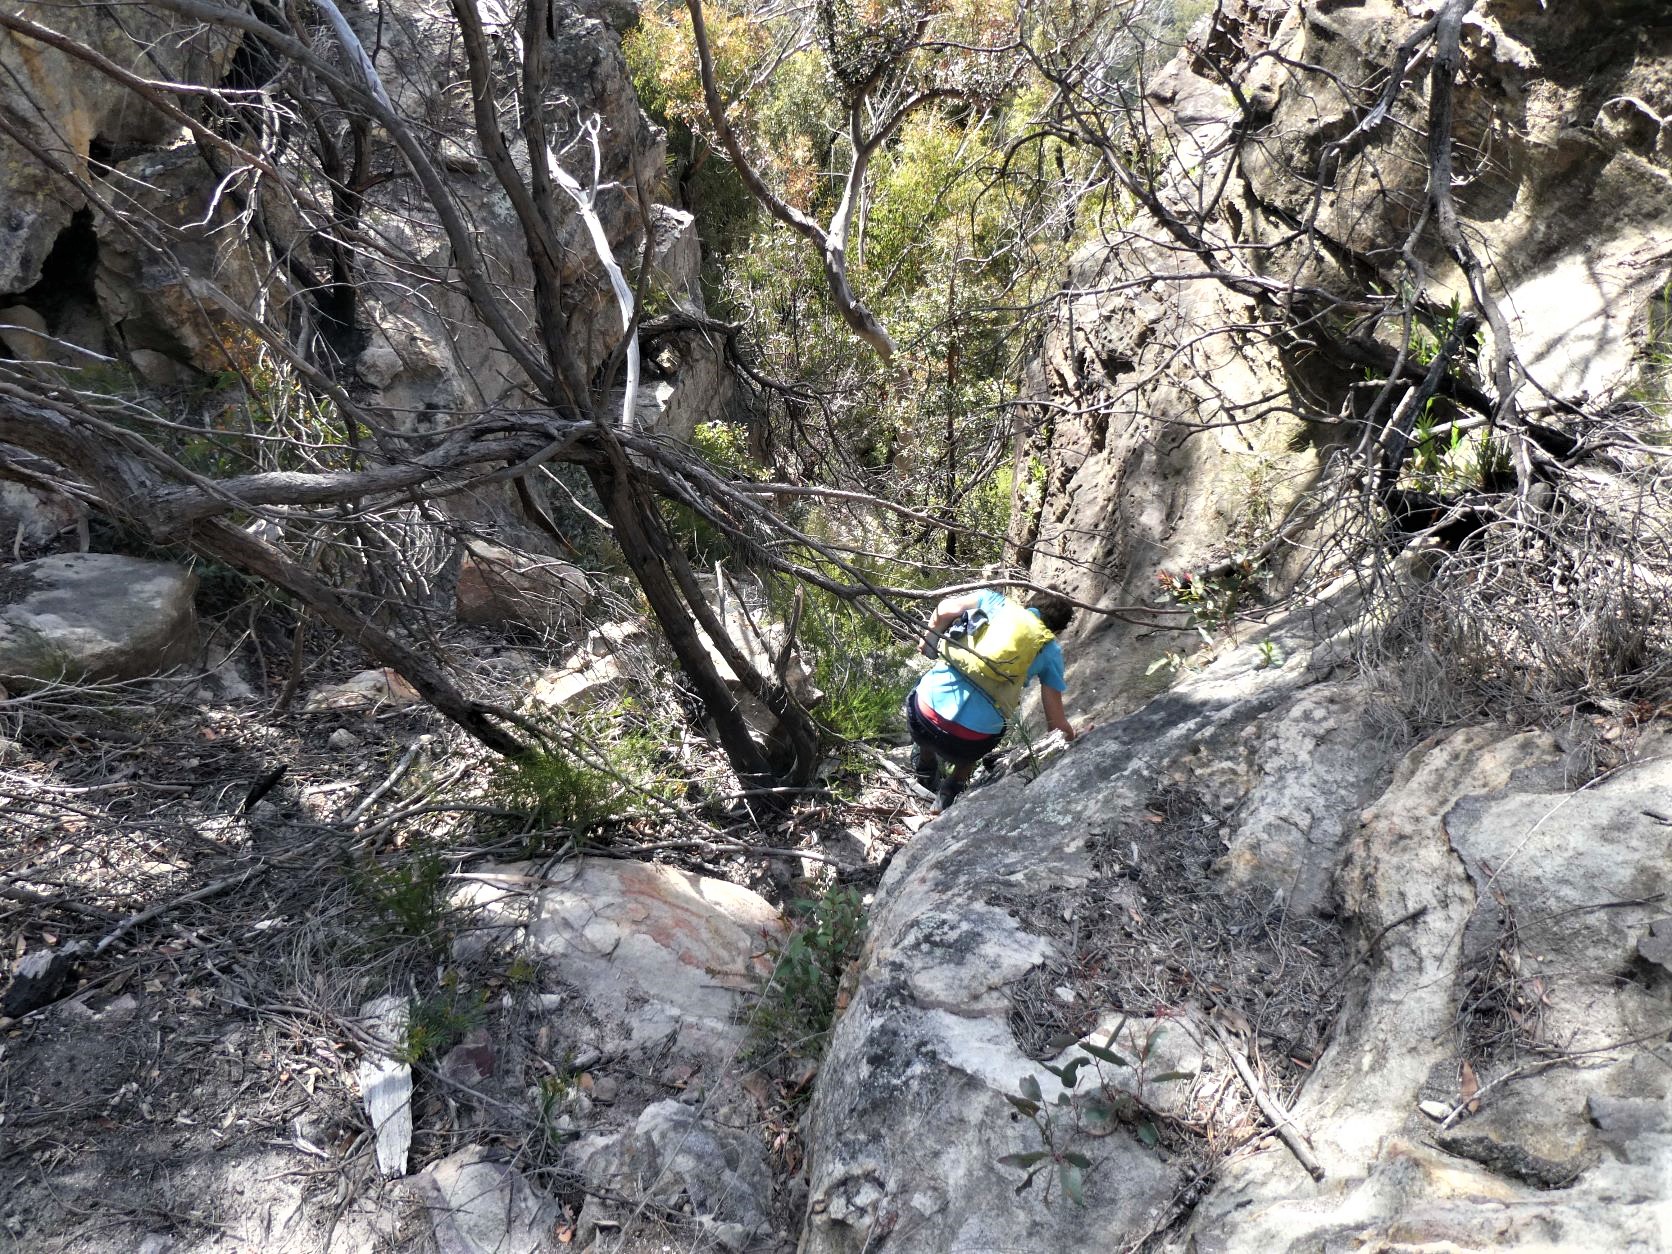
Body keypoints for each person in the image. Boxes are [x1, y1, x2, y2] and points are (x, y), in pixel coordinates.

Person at [906, 587, 1083, 814]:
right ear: (1056, 630)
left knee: (925, 687)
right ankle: (951, 790)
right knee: (993, 726)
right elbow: (1056, 727)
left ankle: (926, 764)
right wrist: (1077, 738)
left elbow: (945, 608)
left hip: (922, 719)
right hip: (968, 744)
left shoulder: (995, 602)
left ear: (1028, 602)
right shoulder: (1049, 648)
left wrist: (929, 642)